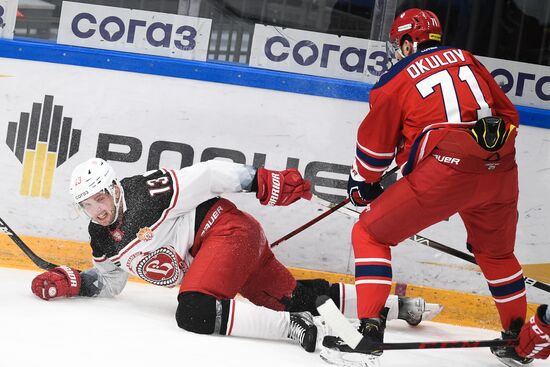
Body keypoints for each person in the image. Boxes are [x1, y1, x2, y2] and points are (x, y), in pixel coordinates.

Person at [322, 8, 550, 367]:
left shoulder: (394, 79)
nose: (397, 51)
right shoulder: (467, 59)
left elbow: (374, 151)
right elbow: (508, 116)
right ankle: (515, 339)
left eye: (399, 43)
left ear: (410, 41)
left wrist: (362, 185)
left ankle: (366, 335)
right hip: (501, 170)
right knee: (497, 255)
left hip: (445, 174)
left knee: (369, 232)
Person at [30, 158, 440, 352]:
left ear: (115, 188)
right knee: (297, 295)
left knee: (193, 311)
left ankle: (290, 327)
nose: (97, 209)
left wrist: (260, 180)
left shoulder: (146, 192)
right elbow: (113, 281)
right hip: (227, 257)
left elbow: (208, 174)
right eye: (87, 204)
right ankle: (400, 307)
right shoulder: (100, 235)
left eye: (100, 197)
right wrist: (77, 283)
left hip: (227, 235)